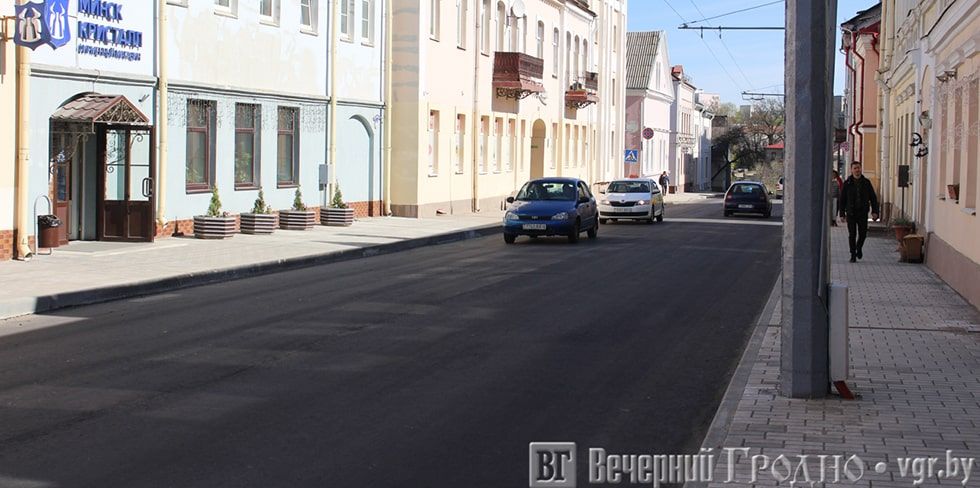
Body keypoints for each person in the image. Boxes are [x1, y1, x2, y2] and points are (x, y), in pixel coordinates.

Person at [838, 162, 880, 262]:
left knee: (863, 234)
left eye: (859, 168)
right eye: (855, 168)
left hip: (863, 213)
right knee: (852, 234)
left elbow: (873, 198)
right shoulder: (847, 183)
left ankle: (859, 247)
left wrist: (875, 211)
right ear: (851, 170)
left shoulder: (866, 183)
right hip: (851, 213)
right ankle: (853, 254)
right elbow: (842, 199)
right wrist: (842, 214)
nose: (857, 170)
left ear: (861, 169)